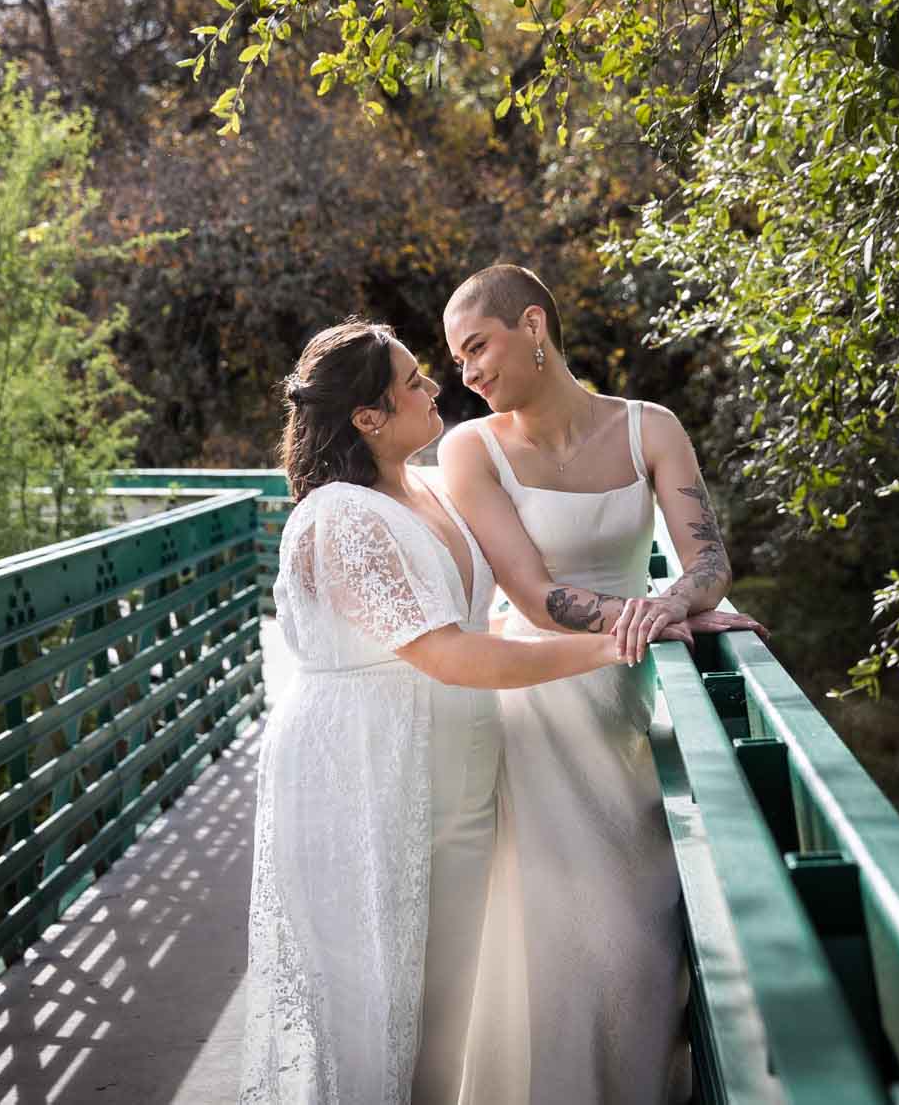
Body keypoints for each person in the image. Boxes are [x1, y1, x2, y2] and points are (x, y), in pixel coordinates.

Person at [238, 319, 686, 1105]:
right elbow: (450, 654)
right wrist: (622, 639)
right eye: (412, 380)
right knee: (379, 1019)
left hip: (459, 781)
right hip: (369, 782)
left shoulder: (430, 487)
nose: (433, 385)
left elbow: (515, 600)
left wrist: (661, 602)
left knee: (443, 1020)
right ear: (368, 416)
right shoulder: (337, 515)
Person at [439, 266, 761, 1105]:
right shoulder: (469, 449)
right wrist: (657, 617)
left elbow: (710, 563)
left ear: (534, 324)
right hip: (537, 705)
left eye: (478, 346)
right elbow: (537, 598)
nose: (467, 374)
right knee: (560, 944)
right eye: (456, 359)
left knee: (640, 938)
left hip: (630, 706)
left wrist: (677, 606)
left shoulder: (648, 428)